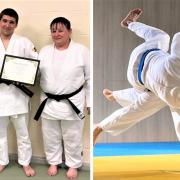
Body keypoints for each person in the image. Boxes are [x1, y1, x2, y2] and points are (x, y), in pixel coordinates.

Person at [93, 8, 180, 144]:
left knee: (162, 37)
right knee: (140, 108)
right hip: (143, 72)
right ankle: (113, 100)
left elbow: (177, 37)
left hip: (140, 66)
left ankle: (130, 23)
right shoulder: (175, 100)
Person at [36, 17, 90, 179]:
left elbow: (90, 78)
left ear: (69, 32)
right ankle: (53, 162)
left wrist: (90, 102)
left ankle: (73, 165)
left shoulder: (81, 51)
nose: (57, 34)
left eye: (60, 30)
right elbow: (36, 74)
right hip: (49, 102)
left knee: (73, 135)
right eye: (53, 31)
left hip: (72, 102)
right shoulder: (44, 51)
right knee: (50, 135)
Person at [0, 8, 38, 176]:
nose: (7, 25)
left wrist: (25, 76)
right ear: (0, 21)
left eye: (11, 22)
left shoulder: (24, 42)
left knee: (23, 133)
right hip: (0, 96)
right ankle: (1, 161)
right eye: (5, 20)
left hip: (18, 95)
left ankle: (25, 163)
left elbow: (36, 64)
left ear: (16, 24)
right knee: (0, 133)